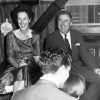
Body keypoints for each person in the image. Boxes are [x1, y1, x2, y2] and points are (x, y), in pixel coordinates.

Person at [43, 9, 100, 100]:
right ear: (57, 22)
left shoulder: (77, 35)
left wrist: (95, 68)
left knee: (98, 79)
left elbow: (85, 53)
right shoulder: (50, 38)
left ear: (71, 23)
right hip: (61, 69)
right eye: (60, 20)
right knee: (69, 88)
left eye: (66, 21)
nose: (62, 24)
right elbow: (49, 61)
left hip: (77, 67)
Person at [11, 48, 77, 100]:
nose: (68, 75)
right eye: (68, 70)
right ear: (61, 69)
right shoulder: (68, 99)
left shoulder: (17, 94)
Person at [5, 3, 41, 92]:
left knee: (24, 70)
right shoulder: (10, 35)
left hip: (31, 66)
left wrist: (43, 68)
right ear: (16, 20)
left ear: (29, 20)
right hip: (14, 65)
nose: (22, 22)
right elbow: (9, 57)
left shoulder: (35, 35)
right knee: (5, 80)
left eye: (25, 19)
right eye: (19, 19)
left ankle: (16, 91)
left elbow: (37, 57)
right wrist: (18, 65)